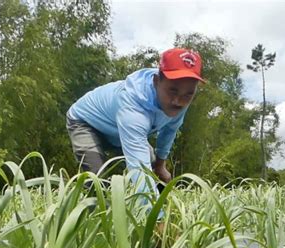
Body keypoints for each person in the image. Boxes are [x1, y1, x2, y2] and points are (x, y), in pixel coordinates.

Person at [66, 48, 205, 196]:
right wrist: (156, 218)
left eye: (188, 93)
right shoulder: (133, 107)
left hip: (118, 130)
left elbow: (169, 130)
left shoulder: (181, 102)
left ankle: (158, 203)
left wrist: (160, 165)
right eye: (172, 91)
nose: (178, 101)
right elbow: (139, 169)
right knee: (97, 180)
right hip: (86, 123)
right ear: (157, 81)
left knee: (152, 162)